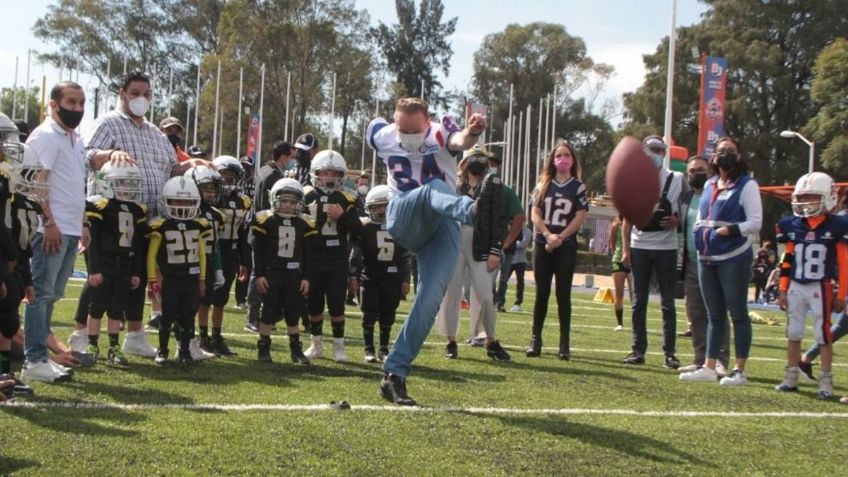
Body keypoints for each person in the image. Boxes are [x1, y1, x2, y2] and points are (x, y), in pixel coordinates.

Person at [366, 97, 489, 405]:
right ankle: (473, 211)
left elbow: (459, 140)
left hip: (442, 223)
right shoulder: (381, 134)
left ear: (428, 122)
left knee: (430, 298)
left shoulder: (439, 132)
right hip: (404, 215)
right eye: (401, 130)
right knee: (432, 189)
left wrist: (471, 132)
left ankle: (394, 374)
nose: (407, 137)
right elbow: (380, 134)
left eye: (413, 131)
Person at [78, 71, 204, 358]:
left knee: (135, 279)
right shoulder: (107, 123)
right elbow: (85, 156)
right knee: (100, 279)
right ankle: (80, 334)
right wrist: (109, 155)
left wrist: (189, 165)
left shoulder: (157, 135)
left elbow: (170, 169)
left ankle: (134, 334)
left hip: (148, 219)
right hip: (110, 219)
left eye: (146, 94)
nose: (141, 99)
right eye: (135, 93)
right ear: (122, 93)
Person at [21, 81, 89, 383]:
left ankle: (42, 359)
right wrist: (48, 222)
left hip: (70, 228)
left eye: (81, 103)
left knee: (51, 295)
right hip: (51, 228)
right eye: (71, 102)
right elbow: (37, 183)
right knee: (40, 294)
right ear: (53, 104)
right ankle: (34, 360)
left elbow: (76, 185)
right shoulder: (46, 135)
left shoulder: (75, 139)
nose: (77, 109)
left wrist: (83, 223)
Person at [681, 136, 762, 386]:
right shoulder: (710, 184)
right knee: (714, 315)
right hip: (707, 257)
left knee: (737, 313)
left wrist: (730, 231)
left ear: (739, 156)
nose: (724, 154)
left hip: (733, 257)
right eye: (720, 150)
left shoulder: (747, 185)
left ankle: (739, 370)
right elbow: (703, 216)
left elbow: (755, 222)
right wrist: (698, 230)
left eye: (730, 151)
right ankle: (708, 365)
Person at [773, 172, 847, 399]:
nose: (806, 203)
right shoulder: (791, 224)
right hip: (795, 283)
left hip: (821, 285)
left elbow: (844, 263)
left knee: (823, 334)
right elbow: (788, 258)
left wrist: (842, 293)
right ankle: (791, 376)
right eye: (803, 198)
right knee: (793, 332)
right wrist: (783, 288)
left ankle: (826, 382)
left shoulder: (838, 225)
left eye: (812, 197)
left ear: (828, 197)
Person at [436, 145, 509, 362]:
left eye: (481, 158)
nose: (477, 162)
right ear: (464, 163)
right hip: (455, 243)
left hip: (481, 246)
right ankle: (450, 340)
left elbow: (499, 220)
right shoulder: (455, 185)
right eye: (473, 158)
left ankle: (490, 340)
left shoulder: (493, 186)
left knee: (486, 295)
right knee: (452, 293)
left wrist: (496, 250)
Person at [620, 135, 684, 369]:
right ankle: (638, 350)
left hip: (667, 248)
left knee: (668, 302)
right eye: (652, 150)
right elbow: (626, 220)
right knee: (639, 302)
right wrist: (626, 250)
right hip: (640, 246)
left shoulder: (677, 179)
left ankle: (670, 352)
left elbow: (687, 210)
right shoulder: (634, 180)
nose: (656, 154)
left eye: (660, 150)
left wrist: (677, 222)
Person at [525, 140, 588, 360]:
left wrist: (561, 236)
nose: (562, 159)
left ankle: (564, 343)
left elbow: (580, 216)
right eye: (558, 155)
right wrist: (548, 234)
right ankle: (536, 339)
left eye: (566, 155)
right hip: (543, 243)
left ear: (573, 159)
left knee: (563, 294)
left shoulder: (578, 186)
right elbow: (534, 214)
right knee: (541, 293)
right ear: (552, 159)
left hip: (566, 245)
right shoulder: (543, 184)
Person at [83, 162, 147, 365]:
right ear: (106, 182)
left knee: (117, 308)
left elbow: (137, 243)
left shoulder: (137, 209)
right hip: (105, 262)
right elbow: (92, 242)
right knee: (97, 307)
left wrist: (136, 271)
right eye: (121, 182)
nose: (126, 186)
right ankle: (92, 344)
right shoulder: (100, 206)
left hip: (125, 264)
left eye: (130, 182)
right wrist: (94, 270)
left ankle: (113, 346)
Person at [302, 150, 363, 362]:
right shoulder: (306, 194)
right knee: (314, 303)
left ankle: (339, 346)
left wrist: (342, 216)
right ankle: (316, 344)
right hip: (314, 256)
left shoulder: (348, 197)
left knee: (337, 303)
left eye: (334, 173)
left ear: (341, 175)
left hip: (337, 257)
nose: (329, 177)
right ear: (316, 173)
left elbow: (358, 230)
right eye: (324, 172)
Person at [147, 177, 211, 365]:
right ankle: (163, 350)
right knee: (167, 316)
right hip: (171, 279)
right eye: (177, 201)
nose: (182, 205)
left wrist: (202, 279)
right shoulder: (161, 225)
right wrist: (152, 280)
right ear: (167, 201)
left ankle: (184, 351)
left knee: (188, 316)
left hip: (190, 279)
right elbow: (151, 255)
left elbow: (201, 254)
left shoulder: (198, 224)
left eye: (187, 201)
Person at [0, 143, 47, 394]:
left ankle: (6, 373)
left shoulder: (26, 205)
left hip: (15, 269)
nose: (33, 181)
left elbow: (24, 248)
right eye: (29, 174)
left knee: (8, 323)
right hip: (4, 268)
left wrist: (27, 281)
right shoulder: (7, 202)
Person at [251, 178, 313, 364]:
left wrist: (306, 277)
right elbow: (257, 251)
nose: (288, 206)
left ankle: (296, 351)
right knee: (269, 310)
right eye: (284, 201)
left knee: (293, 311)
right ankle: (263, 348)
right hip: (272, 272)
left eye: (293, 202)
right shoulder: (265, 220)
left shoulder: (304, 223)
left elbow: (308, 255)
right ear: (274, 200)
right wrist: (259, 274)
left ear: (299, 204)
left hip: (294, 274)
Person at [676, 156, 729, 375]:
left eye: (700, 170)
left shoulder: (718, 194)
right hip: (691, 261)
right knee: (696, 312)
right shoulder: (685, 197)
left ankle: (721, 360)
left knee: (716, 312)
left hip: (714, 260)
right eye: (691, 171)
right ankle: (700, 359)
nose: (694, 174)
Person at [349, 185, 411, 362]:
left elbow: (404, 255)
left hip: (392, 278)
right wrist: (353, 275)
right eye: (378, 206)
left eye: (386, 205)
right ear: (370, 208)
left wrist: (405, 278)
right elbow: (356, 254)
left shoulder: (398, 226)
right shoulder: (365, 226)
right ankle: (369, 348)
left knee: (388, 313)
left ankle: (384, 349)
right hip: (370, 277)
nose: (382, 210)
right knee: (369, 313)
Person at [244, 141, 293, 332]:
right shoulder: (272, 175)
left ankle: (264, 317)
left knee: (263, 272)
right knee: (259, 272)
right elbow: (269, 205)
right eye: (291, 157)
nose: (293, 161)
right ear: (283, 157)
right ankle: (253, 317)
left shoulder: (265, 170)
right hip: (264, 229)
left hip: (260, 227)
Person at [210, 156, 251, 351]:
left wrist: (243, 260)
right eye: (223, 174)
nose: (227, 178)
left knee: (222, 297)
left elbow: (243, 233)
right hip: (210, 251)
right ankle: (200, 336)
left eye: (231, 175)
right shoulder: (210, 197)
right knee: (203, 295)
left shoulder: (244, 201)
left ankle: (215, 336)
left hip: (230, 252)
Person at [186, 165, 225, 360]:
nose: (210, 193)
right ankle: (189, 341)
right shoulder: (188, 210)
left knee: (206, 301)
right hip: (190, 261)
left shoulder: (216, 214)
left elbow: (215, 244)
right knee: (190, 303)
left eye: (213, 189)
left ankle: (202, 338)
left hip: (208, 261)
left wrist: (218, 268)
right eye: (206, 189)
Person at [488, 150, 526, 313]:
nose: (491, 167)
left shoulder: (506, 192)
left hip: (504, 247)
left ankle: (500, 302)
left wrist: (506, 243)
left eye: (494, 165)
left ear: (499, 167)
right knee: (488, 280)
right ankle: (490, 301)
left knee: (503, 277)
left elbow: (519, 218)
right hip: (483, 245)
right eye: (488, 165)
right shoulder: (477, 189)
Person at [234, 155, 255, 308]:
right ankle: (240, 297)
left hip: (248, 225)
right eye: (243, 167)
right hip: (236, 224)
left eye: (248, 167)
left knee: (247, 262)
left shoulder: (256, 182)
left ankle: (243, 297)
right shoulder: (236, 182)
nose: (245, 170)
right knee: (239, 262)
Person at [608, 214, 630, 331]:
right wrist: (617, 256)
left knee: (634, 294)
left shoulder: (635, 224)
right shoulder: (615, 225)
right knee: (619, 293)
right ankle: (619, 323)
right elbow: (612, 244)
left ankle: (637, 323)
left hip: (633, 262)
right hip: (618, 260)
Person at [507, 226, 531, 312]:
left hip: (520, 261)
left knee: (520, 282)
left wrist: (511, 243)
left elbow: (523, 244)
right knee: (503, 280)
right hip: (509, 260)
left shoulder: (527, 231)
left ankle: (518, 303)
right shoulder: (512, 227)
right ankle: (498, 300)